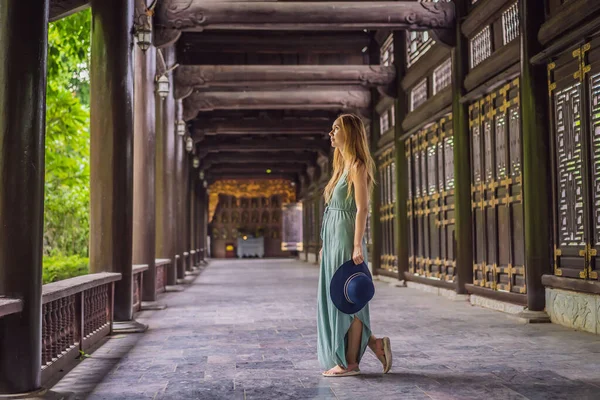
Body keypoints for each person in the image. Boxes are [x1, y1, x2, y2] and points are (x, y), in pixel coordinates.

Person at [317, 113, 392, 377]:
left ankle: (350, 363)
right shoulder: (341, 167)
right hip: (335, 239)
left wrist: (357, 244)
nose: (331, 133)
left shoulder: (358, 166)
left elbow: (362, 208)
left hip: (348, 238)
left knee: (350, 299)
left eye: (336, 128)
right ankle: (373, 344)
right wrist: (326, 243)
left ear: (348, 133)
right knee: (338, 295)